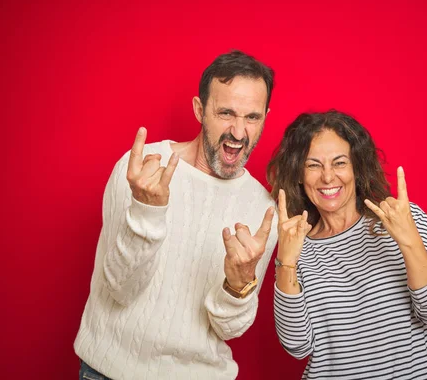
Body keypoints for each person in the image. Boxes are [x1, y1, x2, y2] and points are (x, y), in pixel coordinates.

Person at [74, 50, 279, 380]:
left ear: (266, 117)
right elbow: (120, 289)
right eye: (226, 113)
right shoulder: (143, 170)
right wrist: (146, 212)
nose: (239, 133)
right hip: (109, 372)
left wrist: (237, 284)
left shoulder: (262, 209)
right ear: (200, 110)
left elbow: (229, 330)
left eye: (252, 117)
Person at [268, 110, 427, 379]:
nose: (328, 177)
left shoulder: (401, 220)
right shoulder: (296, 248)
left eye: (339, 163)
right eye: (313, 165)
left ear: (356, 165)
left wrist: (408, 240)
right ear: (298, 174)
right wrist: (286, 263)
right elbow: (297, 347)